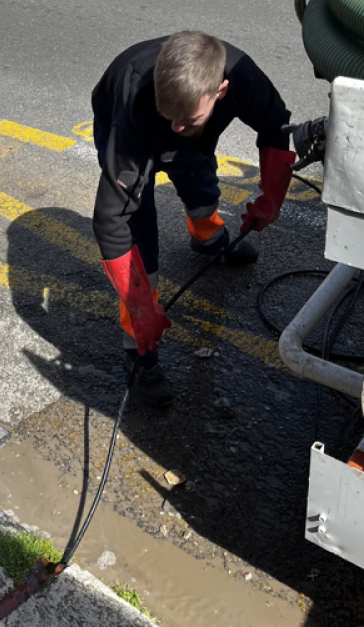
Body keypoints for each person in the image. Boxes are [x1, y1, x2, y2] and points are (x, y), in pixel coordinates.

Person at [91, 30, 295, 411]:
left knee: (196, 166)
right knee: (140, 227)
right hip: (121, 121)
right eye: (171, 119)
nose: (176, 130)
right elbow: (111, 220)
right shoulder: (136, 106)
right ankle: (139, 353)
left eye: (187, 120)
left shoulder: (244, 78)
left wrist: (272, 197)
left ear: (221, 91)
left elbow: (276, 126)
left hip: (182, 114)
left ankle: (206, 235)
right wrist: (140, 307)